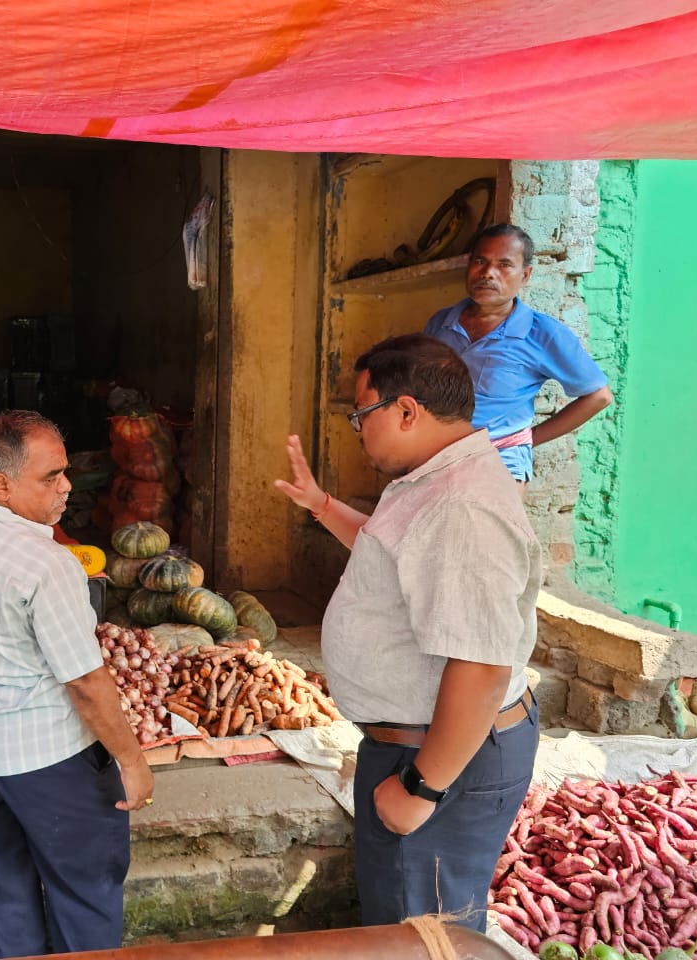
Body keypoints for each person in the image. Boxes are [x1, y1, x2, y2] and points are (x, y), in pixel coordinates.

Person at [275, 334, 541, 930]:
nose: (357, 430)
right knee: (400, 921)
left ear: (405, 410)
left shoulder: (462, 506)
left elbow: (482, 664)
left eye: (360, 415)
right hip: (414, 745)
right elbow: (396, 554)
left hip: (441, 756)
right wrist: (320, 504)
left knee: (423, 934)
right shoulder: (435, 479)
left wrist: (421, 788)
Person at [0, 410, 153, 960]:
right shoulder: (47, 565)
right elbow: (86, 683)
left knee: (1, 906)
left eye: (65, 472)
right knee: (85, 901)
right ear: (2, 486)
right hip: (48, 763)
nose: (68, 486)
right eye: (51, 477)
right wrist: (132, 759)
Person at [425, 223, 612, 485]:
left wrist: (528, 439)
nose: (488, 273)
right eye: (480, 261)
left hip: (497, 464)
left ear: (525, 275)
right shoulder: (441, 322)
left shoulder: (543, 333)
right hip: (434, 459)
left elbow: (599, 396)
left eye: (504, 264)